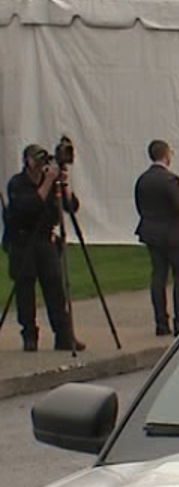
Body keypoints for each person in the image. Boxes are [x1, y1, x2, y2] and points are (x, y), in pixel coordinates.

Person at [4, 145, 83, 353]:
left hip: (46, 240)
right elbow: (28, 207)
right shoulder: (17, 183)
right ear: (28, 162)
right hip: (22, 241)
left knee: (55, 287)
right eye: (36, 161)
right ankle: (29, 335)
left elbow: (71, 207)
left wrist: (63, 184)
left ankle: (64, 335)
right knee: (25, 289)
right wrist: (48, 181)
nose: (41, 166)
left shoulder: (52, 182)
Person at [135, 139, 179, 336]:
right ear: (166, 154)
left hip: (151, 232)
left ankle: (161, 322)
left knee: (158, 275)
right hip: (172, 233)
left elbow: (139, 206)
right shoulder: (171, 179)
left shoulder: (142, 179)